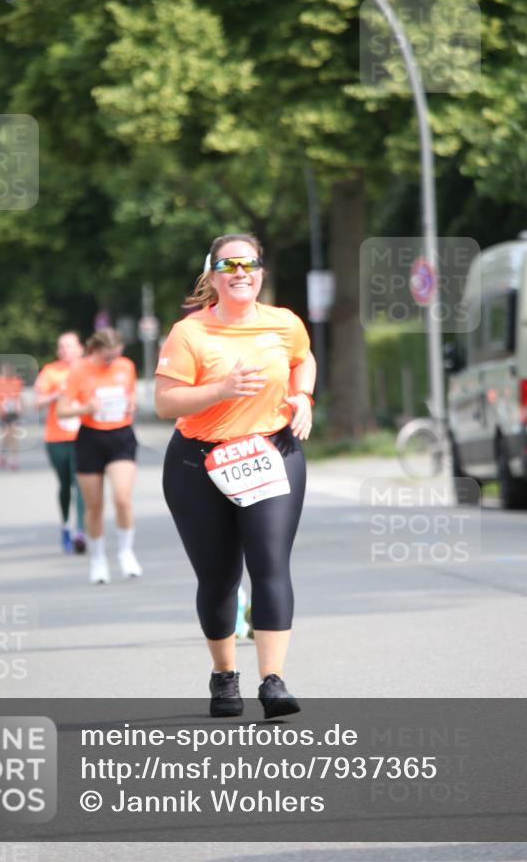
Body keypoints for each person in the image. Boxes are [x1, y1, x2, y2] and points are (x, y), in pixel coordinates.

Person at [155, 233, 316, 720]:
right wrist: (221, 389)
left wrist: (303, 396)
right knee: (219, 577)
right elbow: (165, 402)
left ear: (261, 272)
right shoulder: (189, 333)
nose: (240, 272)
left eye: (249, 263)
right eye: (229, 265)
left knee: (270, 563)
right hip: (198, 463)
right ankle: (224, 674)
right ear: (213, 275)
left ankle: (273, 680)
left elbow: (303, 359)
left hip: (271, 452)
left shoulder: (284, 322)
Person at [57, 328, 142, 583]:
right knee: (94, 506)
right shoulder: (79, 370)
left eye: (116, 356)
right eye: (107, 357)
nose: (111, 361)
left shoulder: (126, 366)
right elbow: (62, 410)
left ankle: (126, 552)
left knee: (122, 498)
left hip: (121, 436)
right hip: (90, 438)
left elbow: (131, 394)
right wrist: (87, 408)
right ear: (94, 350)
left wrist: (132, 403)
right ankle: (98, 559)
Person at [34, 332, 86, 553]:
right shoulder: (50, 371)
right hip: (56, 438)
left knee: (80, 482)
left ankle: (81, 531)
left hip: (83, 436)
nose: (65, 350)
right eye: (62, 347)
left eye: (69, 346)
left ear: (80, 348)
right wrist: (55, 395)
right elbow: (37, 402)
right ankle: (65, 525)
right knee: (65, 484)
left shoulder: (88, 369)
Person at [0, 364, 24, 470]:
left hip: (14, 412)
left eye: (9, 370)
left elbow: (19, 396)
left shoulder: (17, 381)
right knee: (6, 436)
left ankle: (14, 460)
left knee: (13, 435)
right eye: (5, 370)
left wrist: (21, 407)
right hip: (3, 412)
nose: (7, 372)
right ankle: (3, 454)